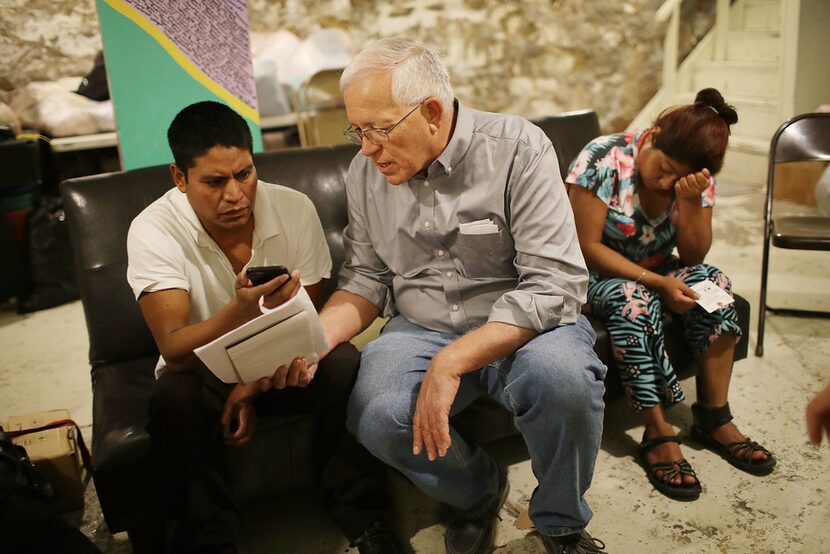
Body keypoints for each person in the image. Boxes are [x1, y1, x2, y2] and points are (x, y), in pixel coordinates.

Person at [315, 38, 608, 554]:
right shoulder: (366, 173)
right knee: (376, 415)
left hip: (523, 322)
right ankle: (476, 491)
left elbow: (554, 283)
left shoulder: (518, 147)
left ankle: (561, 521)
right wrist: (311, 340)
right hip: (421, 327)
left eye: (378, 130)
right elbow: (366, 277)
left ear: (431, 111)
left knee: (564, 381)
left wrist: (452, 362)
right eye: (356, 130)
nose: (366, 148)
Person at [126, 101, 397, 553]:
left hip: (282, 356)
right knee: (173, 398)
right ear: (179, 177)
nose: (236, 195)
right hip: (204, 371)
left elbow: (304, 318)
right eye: (214, 182)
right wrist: (240, 310)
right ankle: (210, 539)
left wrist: (251, 386)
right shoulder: (153, 230)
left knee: (344, 362)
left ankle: (364, 515)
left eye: (245, 174)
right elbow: (173, 349)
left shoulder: (293, 208)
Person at [566, 88, 776, 501]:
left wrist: (692, 200)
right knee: (634, 299)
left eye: (675, 176)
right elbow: (585, 246)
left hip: (659, 269)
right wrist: (656, 283)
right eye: (663, 167)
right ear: (655, 133)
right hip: (590, 274)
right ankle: (658, 432)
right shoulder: (603, 158)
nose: (664, 180)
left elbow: (695, 254)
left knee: (716, 290)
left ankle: (714, 416)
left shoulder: (694, 181)